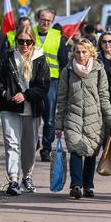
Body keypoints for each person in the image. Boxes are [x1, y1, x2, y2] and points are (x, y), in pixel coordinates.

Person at [0, 25, 50, 195]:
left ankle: (27, 176)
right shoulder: (6, 58)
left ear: (33, 42)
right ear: (16, 41)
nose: (25, 45)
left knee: (29, 146)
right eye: (21, 41)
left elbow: (44, 87)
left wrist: (27, 95)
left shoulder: (40, 59)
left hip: (32, 108)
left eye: (28, 41)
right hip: (10, 108)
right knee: (11, 143)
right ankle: (13, 180)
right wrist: (5, 92)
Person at [55, 39, 111, 199]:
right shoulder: (67, 71)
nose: (81, 55)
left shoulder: (98, 70)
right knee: (76, 150)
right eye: (77, 52)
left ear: (91, 52)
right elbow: (61, 98)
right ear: (73, 53)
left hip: (94, 119)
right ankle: (76, 185)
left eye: (84, 52)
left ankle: (88, 185)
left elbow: (104, 97)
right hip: (73, 118)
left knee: (91, 152)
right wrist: (58, 124)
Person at [34, 8, 69, 162]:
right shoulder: (29, 33)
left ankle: (46, 148)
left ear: (52, 21)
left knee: (49, 117)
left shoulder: (58, 37)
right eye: (43, 19)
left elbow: (63, 62)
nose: (45, 22)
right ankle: (33, 141)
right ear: (38, 19)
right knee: (31, 115)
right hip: (32, 80)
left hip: (51, 81)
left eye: (49, 20)